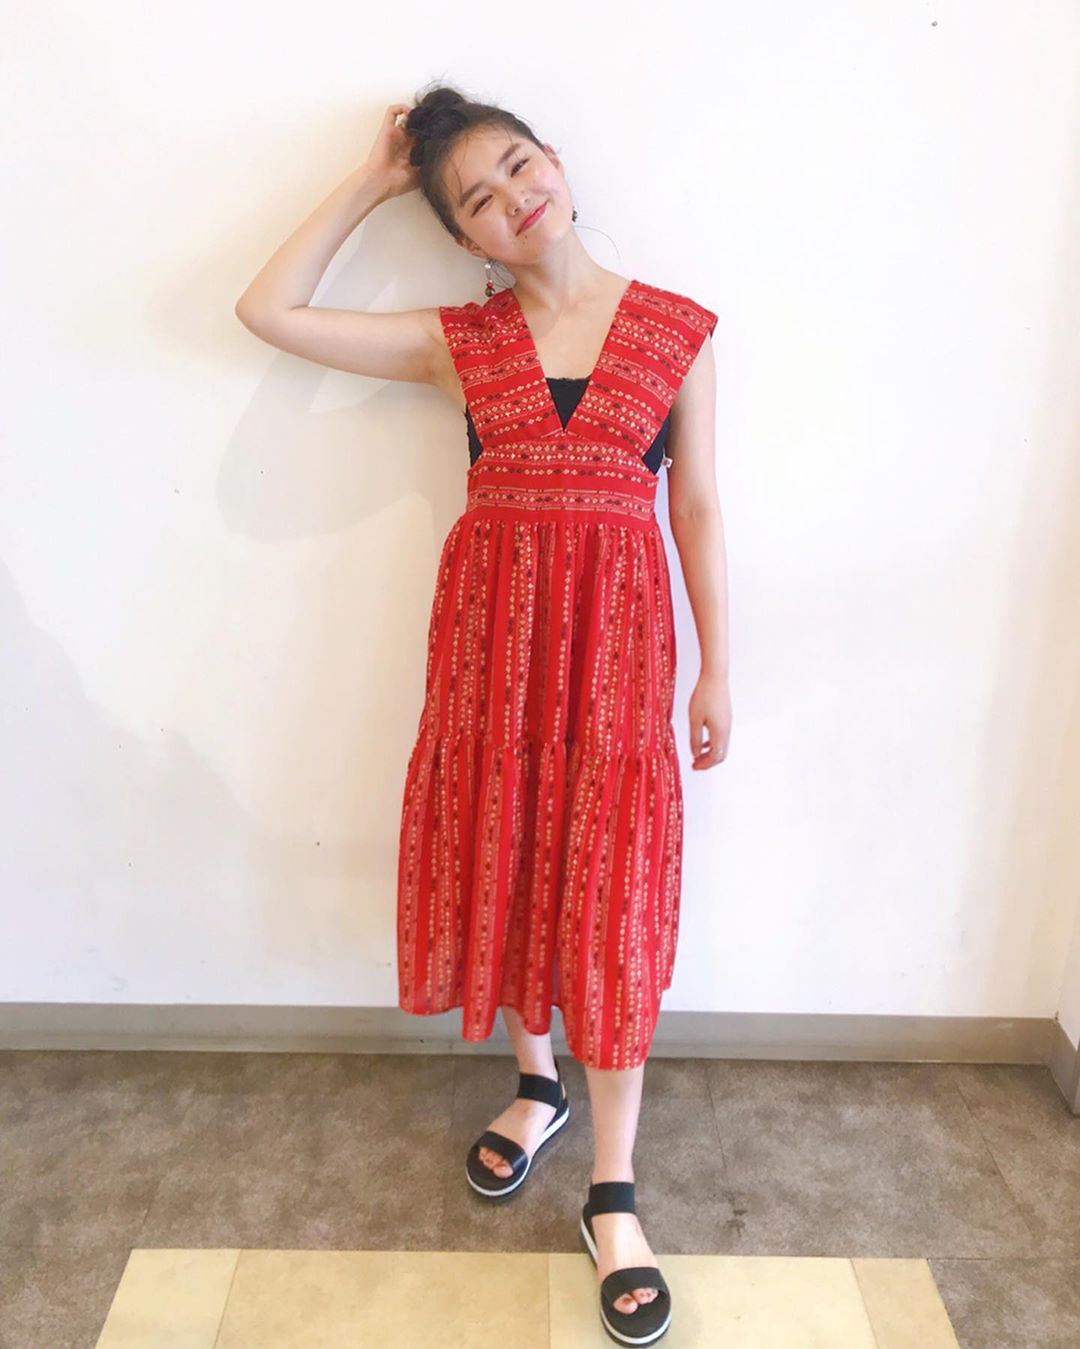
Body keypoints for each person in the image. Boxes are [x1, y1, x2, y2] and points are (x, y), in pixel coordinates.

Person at [235, 82, 732, 1347]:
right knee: (510, 847)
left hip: (618, 663)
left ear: (553, 157)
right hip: (494, 657)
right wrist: (373, 180)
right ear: (465, 235)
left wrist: (716, 668)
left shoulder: (675, 330)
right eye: (478, 198)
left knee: (610, 890)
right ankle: (534, 1084)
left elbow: (696, 508)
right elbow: (269, 310)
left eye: (518, 164)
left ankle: (613, 1191)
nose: (516, 196)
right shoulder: (460, 342)